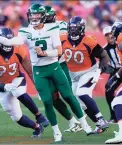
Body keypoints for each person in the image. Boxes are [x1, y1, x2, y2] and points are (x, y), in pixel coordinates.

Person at [0, 4, 94, 143]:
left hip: (54, 67)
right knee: (47, 102)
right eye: (32, 15)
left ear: (43, 16)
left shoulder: (52, 28)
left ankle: (85, 126)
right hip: (39, 71)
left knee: (68, 96)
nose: (34, 17)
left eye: (36, 15)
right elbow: (10, 41)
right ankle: (56, 133)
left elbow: (59, 51)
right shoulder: (25, 31)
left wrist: (45, 53)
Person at [0, 27, 49, 137]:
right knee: (16, 116)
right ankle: (37, 127)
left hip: (17, 78)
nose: (8, 45)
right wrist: (1, 86)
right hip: (2, 85)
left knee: (18, 92)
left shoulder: (18, 49)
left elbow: (30, 71)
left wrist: (39, 87)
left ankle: (39, 116)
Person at [61, 16, 109, 132]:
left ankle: (101, 118)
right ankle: (99, 124)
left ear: (82, 29)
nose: (73, 31)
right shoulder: (62, 39)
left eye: (76, 29)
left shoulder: (88, 41)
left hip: (89, 72)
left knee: (81, 93)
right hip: (74, 76)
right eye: (71, 28)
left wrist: (99, 71)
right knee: (81, 104)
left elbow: (104, 56)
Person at [44, 5, 82, 133]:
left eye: (46, 16)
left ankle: (88, 120)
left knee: (69, 95)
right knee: (51, 98)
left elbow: (64, 43)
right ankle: (73, 122)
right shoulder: (36, 29)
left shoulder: (61, 25)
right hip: (45, 66)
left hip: (60, 64)